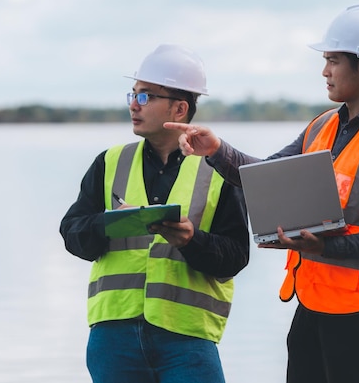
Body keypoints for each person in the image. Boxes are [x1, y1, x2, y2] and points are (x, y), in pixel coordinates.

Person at [165, 5, 359, 383]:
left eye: (333, 61)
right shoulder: (323, 125)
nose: (325, 71)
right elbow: (263, 176)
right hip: (313, 303)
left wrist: (324, 248)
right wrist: (216, 150)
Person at [59, 44, 250, 383]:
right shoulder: (109, 162)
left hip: (188, 339)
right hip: (113, 337)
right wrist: (110, 224)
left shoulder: (219, 170)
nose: (134, 105)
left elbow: (235, 257)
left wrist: (192, 241)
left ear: (179, 108)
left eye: (146, 97)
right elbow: (72, 234)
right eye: (132, 95)